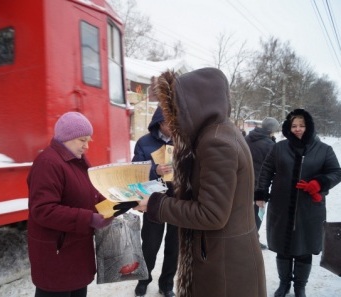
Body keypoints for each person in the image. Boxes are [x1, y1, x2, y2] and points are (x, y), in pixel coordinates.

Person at [134, 68, 266, 297]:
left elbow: (211, 214)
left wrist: (156, 205)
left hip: (223, 266)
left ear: (194, 106)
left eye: (175, 111)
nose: (173, 120)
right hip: (220, 256)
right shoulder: (221, 133)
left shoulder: (216, 143)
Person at [254, 108, 341, 297]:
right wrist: (261, 193)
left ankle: (300, 286)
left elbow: (336, 172)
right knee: (282, 247)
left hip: (309, 208)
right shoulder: (279, 148)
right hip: (281, 205)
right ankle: (284, 284)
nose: (298, 129)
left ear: (309, 127)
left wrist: (319, 183)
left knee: (304, 248)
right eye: (294, 126)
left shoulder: (324, 150)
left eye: (302, 125)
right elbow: (267, 170)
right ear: (288, 127)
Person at [27, 111, 114, 297]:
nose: (86, 146)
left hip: (75, 249)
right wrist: (89, 218)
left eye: (88, 140)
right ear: (67, 137)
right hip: (56, 253)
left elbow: (89, 192)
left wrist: (113, 202)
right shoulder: (48, 163)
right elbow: (43, 210)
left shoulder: (77, 161)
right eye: (82, 140)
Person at [132, 106, 178, 297]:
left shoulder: (183, 141)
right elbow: (135, 170)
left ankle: (167, 284)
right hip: (153, 200)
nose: (175, 126)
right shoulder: (144, 142)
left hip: (178, 200)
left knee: (174, 246)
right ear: (160, 123)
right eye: (170, 123)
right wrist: (155, 170)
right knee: (150, 244)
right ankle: (144, 280)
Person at [245, 116, 280, 249]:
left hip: (243, 182)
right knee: (257, 214)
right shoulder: (269, 145)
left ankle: (244, 238)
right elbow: (275, 165)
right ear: (272, 130)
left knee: (243, 212)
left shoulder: (248, 138)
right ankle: (253, 241)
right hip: (259, 185)